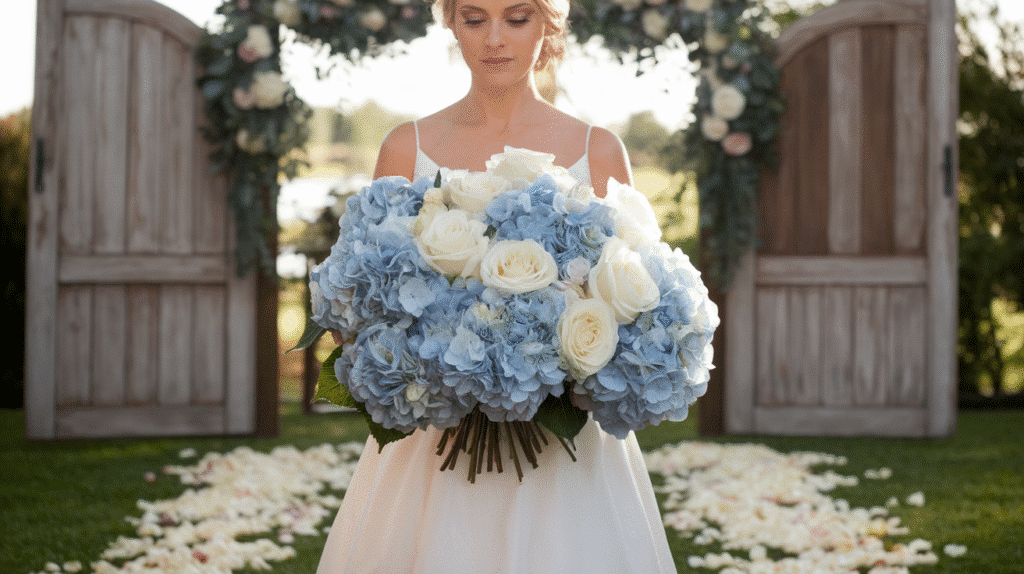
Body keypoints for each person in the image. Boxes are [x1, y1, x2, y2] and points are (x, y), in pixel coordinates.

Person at [316, 0, 678, 571]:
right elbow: (358, 304)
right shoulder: (406, 148)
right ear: (451, 24)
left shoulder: (598, 151)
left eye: (516, 18)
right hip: (435, 441)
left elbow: (640, 303)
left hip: (565, 452)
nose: (494, 41)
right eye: (474, 18)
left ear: (548, 24)